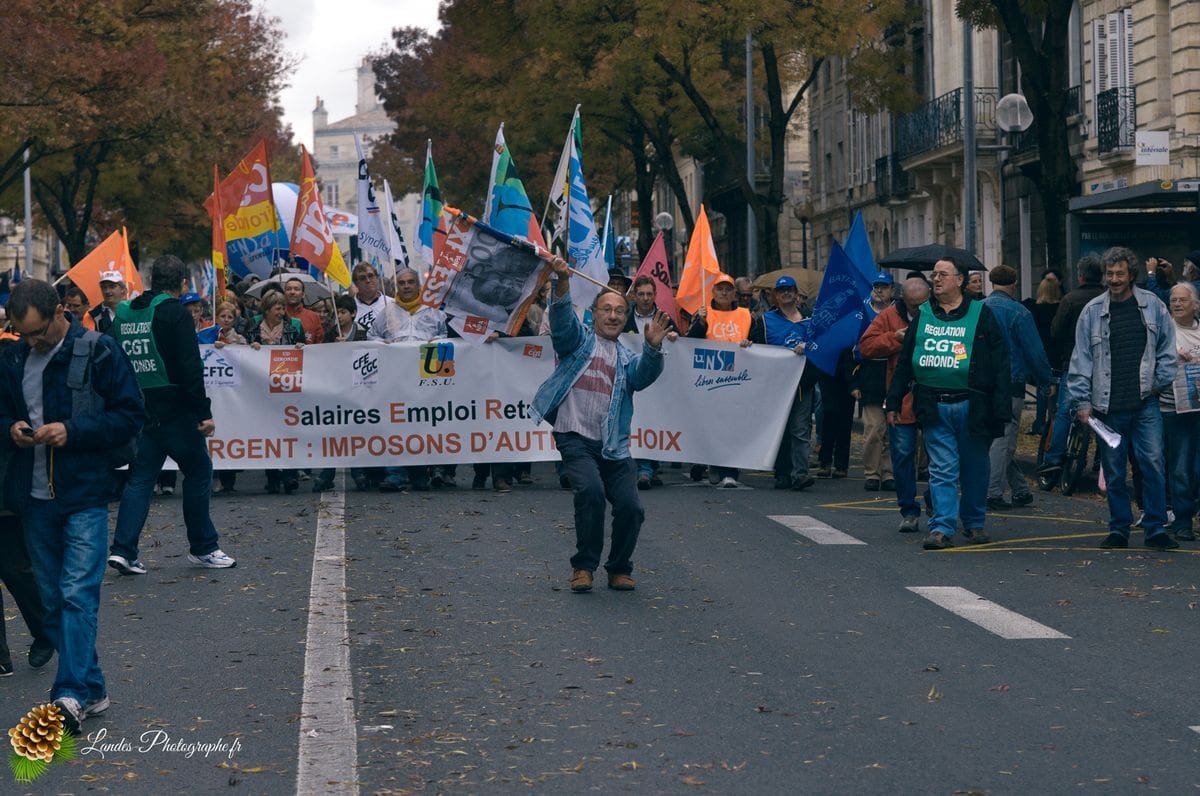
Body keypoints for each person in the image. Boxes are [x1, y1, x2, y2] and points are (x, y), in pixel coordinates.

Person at [0, 278, 144, 731]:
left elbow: (129, 415)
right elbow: (1, 411)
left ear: (60, 312)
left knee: (76, 595)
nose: (33, 341)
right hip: (34, 498)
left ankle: (68, 694)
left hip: (84, 493)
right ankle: (93, 685)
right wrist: (12, 427)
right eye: (23, 333)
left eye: (38, 331)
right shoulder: (13, 355)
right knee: (51, 599)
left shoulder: (99, 350)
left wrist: (72, 431)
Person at [531, 256, 670, 593]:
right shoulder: (577, 342)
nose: (613, 316)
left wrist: (653, 348)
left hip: (614, 446)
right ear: (594, 315)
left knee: (632, 508)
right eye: (606, 310)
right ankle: (584, 567)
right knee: (591, 493)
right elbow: (562, 323)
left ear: (626, 319)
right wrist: (561, 282)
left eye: (620, 312)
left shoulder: (627, 358)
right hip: (574, 437)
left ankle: (619, 568)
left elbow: (643, 377)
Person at [108, 255, 236, 575]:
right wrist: (203, 412)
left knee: (139, 479)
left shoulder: (124, 313)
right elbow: (191, 368)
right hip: (176, 409)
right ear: (181, 284)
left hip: (140, 408)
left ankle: (123, 551)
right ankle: (203, 547)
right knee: (198, 471)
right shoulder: (174, 314)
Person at [884, 257, 1011, 550]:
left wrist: (1001, 408)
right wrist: (893, 401)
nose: (936, 280)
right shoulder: (924, 315)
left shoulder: (982, 314)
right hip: (933, 404)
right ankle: (941, 527)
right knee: (941, 469)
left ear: (960, 280)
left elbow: (1001, 362)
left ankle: (975, 522)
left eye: (943, 275)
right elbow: (905, 362)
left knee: (975, 467)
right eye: (934, 275)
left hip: (973, 405)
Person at [1066, 246, 1179, 550]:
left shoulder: (1153, 306)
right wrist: (1082, 402)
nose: (1114, 279)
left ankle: (1155, 527)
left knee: (1153, 464)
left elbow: (1169, 350)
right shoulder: (1092, 312)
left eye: (1120, 273)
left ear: (1131, 275)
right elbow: (1081, 360)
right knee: (1115, 473)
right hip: (1107, 408)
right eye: (1110, 273)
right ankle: (1119, 529)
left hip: (1145, 403)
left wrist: (1158, 384)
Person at [861, 277, 931, 533]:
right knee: (902, 455)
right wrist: (894, 338)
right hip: (901, 395)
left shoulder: (939, 314)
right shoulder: (890, 315)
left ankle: (934, 500)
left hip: (933, 394)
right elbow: (866, 346)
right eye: (912, 305)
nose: (917, 310)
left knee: (939, 455)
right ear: (903, 299)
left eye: (922, 304)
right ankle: (908, 510)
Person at [983, 265, 1053, 512]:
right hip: (1010, 382)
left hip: (980, 382)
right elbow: (1034, 352)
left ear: (991, 283)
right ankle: (992, 492)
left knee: (995, 439)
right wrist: (1046, 381)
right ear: (1014, 283)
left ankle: (1020, 489)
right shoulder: (1019, 312)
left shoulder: (977, 309)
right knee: (1004, 439)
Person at [687, 273, 764, 487]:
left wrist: (751, 344)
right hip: (708, 380)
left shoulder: (746, 315)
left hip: (737, 380)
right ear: (712, 292)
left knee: (732, 426)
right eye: (719, 288)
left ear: (734, 294)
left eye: (727, 289)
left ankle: (730, 470)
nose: (723, 292)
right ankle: (712, 463)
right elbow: (689, 344)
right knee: (711, 425)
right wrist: (700, 322)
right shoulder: (703, 313)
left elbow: (759, 344)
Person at [1038, 255, 1106, 485]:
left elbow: (1056, 331)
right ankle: (1101, 460)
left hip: (1073, 361)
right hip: (1105, 365)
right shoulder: (1109, 298)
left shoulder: (1071, 299)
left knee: (1065, 411)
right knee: (1104, 414)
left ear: (1080, 276)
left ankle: (1053, 459)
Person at [245, 291, 304, 494]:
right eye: (277, 308)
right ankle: (272, 476)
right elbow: (240, 351)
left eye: (283, 308)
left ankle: (290, 475)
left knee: (288, 430)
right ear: (268, 309)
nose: (281, 312)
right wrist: (249, 347)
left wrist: (300, 346)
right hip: (260, 387)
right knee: (267, 431)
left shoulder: (292, 327)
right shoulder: (252, 327)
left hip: (286, 387)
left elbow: (306, 352)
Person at [762, 275, 818, 491]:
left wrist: (809, 345)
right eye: (781, 290)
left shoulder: (810, 319)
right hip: (775, 384)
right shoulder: (765, 320)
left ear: (796, 294)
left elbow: (821, 346)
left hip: (803, 383)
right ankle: (782, 472)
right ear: (775, 296)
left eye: (790, 290)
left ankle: (800, 474)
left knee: (800, 429)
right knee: (781, 429)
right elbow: (756, 345)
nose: (786, 293)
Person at [623, 276, 678, 489]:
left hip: (658, 382)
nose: (645, 298)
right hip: (633, 377)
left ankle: (649, 467)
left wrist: (674, 336)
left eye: (649, 294)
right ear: (634, 296)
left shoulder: (665, 318)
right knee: (637, 421)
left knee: (654, 420)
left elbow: (682, 343)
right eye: (641, 294)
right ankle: (642, 469)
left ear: (655, 296)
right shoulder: (624, 317)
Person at [1161, 283, 1200, 541]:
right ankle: (1183, 520)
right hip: (1174, 407)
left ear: (1195, 304)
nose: (1176, 304)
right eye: (1173, 299)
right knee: (1181, 466)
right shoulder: (1165, 331)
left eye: (1182, 300)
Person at [853, 272, 896, 490]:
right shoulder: (864, 313)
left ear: (892, 290)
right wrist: (855, 383)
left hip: (894, 373)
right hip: (871, 375)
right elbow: (854, 347)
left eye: (884, 287)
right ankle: (872, 472)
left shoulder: (898, 313)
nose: (880, 290)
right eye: (876, 286)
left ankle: (888, 473)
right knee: (873, 428)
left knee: (892, 429)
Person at [1022, 271, 1062, 436]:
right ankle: (1055, 423)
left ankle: (1039, 422)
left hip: (1041, 352)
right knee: (1057, 392)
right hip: (1057, 353)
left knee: (1041, 390)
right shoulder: (1060, 307)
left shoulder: (1034, 309)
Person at [351, 263, 396, 337]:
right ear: (356, 283)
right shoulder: (350, 307)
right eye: (362, 278)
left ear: (377, 278)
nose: (368, 280)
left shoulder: (392, 303)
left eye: (371, 276)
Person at [283, 276, 325, 343]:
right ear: (284, 294)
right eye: (288, 289)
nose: (292, 292)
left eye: (296, 289)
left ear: (303, 295)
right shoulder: (278, 315)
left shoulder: (314, 317)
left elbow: (320, 343)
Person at [88, 270, 127, 334]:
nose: (107, 291)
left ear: (123, 289)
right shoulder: (94, 314)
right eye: (104, 287)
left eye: (112, 286)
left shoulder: (133, 311)